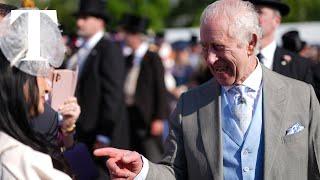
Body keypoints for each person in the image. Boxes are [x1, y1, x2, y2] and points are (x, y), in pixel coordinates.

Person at [94, 0, 320, 179]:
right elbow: (175, 172)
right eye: (204, 47)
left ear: (251, 43)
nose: (210, 59)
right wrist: (143, 171)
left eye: (219, 47)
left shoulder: (302, 96)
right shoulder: (189, 105)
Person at [0, 8, 72, 179]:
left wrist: (69, 129)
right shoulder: (17, 160)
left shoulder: (47, 114)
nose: (47, 86)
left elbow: (80, 168)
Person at [69, 0, 129, 151]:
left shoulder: (109, 48)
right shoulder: (82, 49)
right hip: (82, 129)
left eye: (85, 18)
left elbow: (113, 94)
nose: (79, 22)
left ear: (100, 21)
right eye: (78, 17)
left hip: (98, 132)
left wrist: (104, 133)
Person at [122, 14, 168, 162]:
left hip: (147, 115)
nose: (125, 38)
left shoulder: (152, 57)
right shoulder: (128, 59)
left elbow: (160, 88)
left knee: (151, 153)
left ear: (136, 36)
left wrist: (159, 118)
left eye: (128, 34)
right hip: (130, 112)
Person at [249, 0, 314, 84]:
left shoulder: (299, 66)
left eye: (259, 12)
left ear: (276, 21)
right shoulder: (236, 59)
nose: (253, 17)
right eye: (251, 12)